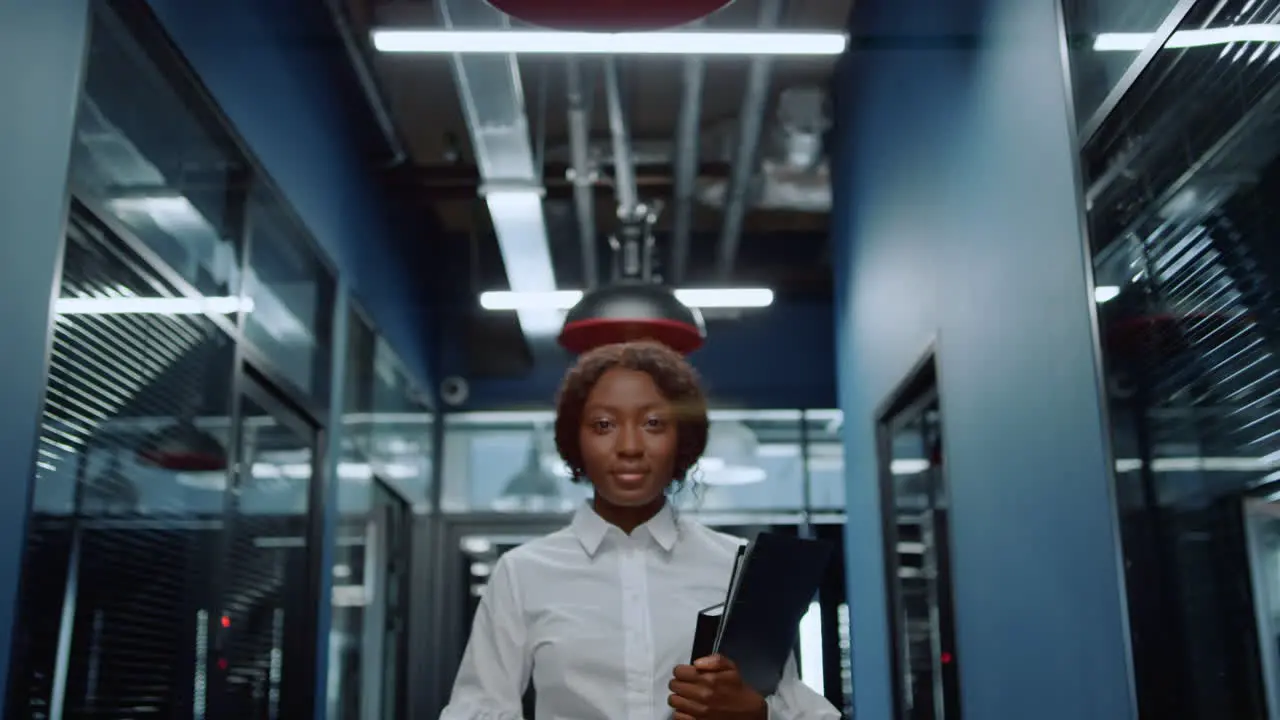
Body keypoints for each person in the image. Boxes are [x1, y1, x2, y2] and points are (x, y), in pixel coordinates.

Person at [440, 340, 840, 720]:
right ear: (574, 441)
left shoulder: (739, 569)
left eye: (653, 423)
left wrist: (758, 714)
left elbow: (802, 707)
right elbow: (477, 708)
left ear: (682, 439)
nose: (629, 445)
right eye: (603, 425)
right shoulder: (522, 573)